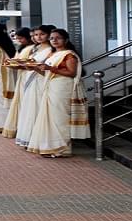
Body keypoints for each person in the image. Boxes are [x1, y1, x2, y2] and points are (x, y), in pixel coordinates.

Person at [27, 29, 90, 157]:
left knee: (60, 117)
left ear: (65, 40)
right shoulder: (52, 55)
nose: (54, 40)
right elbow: (46, 73)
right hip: (51, 86)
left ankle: (63, 149)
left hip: (62, 87)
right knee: (50, 116)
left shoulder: (69, 55)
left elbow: (71, 73)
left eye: (58, 38)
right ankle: (50, 147)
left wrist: (51, 68)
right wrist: (34, 68)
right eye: (52, 38)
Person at [14, 25, 55, 147]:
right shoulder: (35, 49)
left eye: (42, 34)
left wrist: (32, 67)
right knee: (28, 107)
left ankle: (38, 138)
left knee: (37, 107)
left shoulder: (50, 50)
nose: (38, 37)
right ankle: (29, 136)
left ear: (48, 35)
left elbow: (46, 68)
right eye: (36, 35)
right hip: (30, 79)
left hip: (40, 81)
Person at [1, 27, 34, 139]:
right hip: (21, 76)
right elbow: (16, 60)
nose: (19, 40)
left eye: (21, 38)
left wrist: (18, 64)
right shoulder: (22, 48)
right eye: (18, 38)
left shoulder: (32, 48)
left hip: (28, 75)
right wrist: (11, 63)